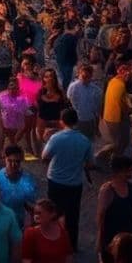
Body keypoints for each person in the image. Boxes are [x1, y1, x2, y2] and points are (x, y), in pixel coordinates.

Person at [41, 108, 94, 252]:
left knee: (53, 212)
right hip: (74, 183)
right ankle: (71, 245)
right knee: (72, 215)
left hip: (56, 181)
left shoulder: (56, 138)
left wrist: (46, 140)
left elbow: (45, 156)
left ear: (62, 121)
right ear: (76, 121)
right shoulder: (84, 140)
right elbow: (90, 164)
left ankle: (53, 241)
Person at [96, 156, 132, 263]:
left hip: (129, 237)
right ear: (119, 171)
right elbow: (100, 216)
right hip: (112, 239)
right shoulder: (108, 191)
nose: (131, 173)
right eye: (129, 170)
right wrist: (100, 240)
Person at [21, 198, 73, 263]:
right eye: (35, 213)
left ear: (52, 214)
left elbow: (68, 259)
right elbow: (26, 261)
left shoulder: (63, 233)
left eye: (39, 213)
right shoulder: (31, 234)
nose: (36, 216)